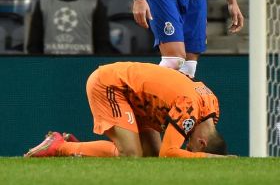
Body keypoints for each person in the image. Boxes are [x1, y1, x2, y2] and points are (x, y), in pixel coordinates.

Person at [24, 61, 229, 158]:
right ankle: (59, 146)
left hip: (140, 99)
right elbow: (170, 153)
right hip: (111, 84)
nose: (187, 149)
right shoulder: (190, 109)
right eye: (191, 149)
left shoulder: (212, 105)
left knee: (151, 156)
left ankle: (79, 151)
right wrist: (211, 158)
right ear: (202, 143)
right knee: (131, 155)